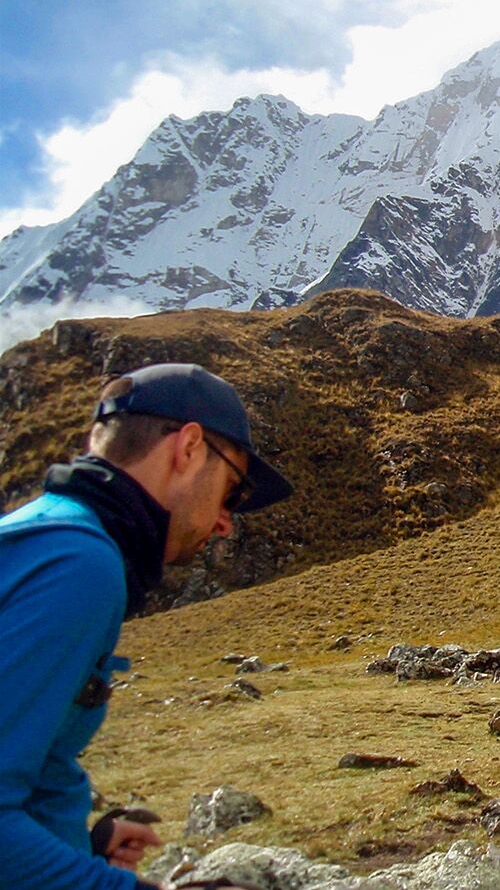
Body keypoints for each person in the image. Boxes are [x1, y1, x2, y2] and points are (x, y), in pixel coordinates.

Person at [0, 364, 294, 889]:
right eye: (231, 490)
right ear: (188, 448)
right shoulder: (78, 564)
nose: (227, 521)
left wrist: (80, 846)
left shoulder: (43, 535)